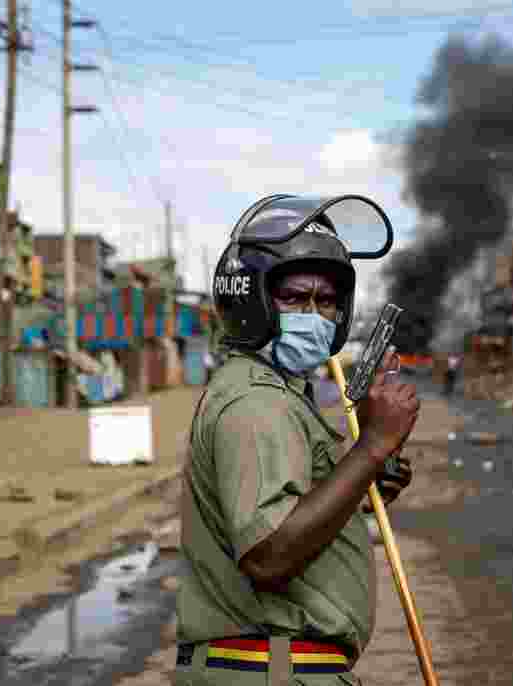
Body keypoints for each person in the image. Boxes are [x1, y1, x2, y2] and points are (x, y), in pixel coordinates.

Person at [174, 195, 419, 686]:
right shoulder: (255, 402)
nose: (314, 315)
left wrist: (368, 471)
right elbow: (269, 556)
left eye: (326, 301)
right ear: (252, 299)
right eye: (294, 298)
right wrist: (372, 445)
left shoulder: (284, 394)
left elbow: (311, 502)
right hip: (271, 670)